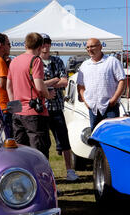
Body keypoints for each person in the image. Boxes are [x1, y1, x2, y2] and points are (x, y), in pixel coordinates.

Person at [6, 32, 55, 159]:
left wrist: (15, 107)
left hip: (18, 112)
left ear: (26, 44)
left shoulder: (14, 61)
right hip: (34, 113)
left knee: (21, 150)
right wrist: (48, 95)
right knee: (39, 151)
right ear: (40, 46)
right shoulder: (36, 60)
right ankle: (40, 177)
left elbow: (9, 86)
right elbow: (39, 86)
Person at [40, 34, 79, 181]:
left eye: (47, 42)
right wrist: (54, 80)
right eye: (43, 42)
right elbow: (36, 84)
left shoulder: (57, 61)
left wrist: (46, 83)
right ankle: (46, 173)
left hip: (56, 107)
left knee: (63, 140)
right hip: (41, 108)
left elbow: (64, 81)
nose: (45, 45)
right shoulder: (35, 61)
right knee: (43, 143)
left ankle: (70, 170)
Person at [76, 38, 126, 131]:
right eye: (87, 47)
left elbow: (122, 81)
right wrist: (86, 101)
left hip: (110, 107)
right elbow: (80, 86)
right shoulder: (84, 65)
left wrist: (114, 100)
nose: (89, 49)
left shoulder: (112, 61)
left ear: (100, 47)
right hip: (93, 108)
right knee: (95, 136)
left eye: (92, 46)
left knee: (111, 136)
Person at [0, 33, 12, 136]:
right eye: (8, 44)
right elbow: (1, 83)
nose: (9, 47)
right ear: (1, 45)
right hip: (3, 107)